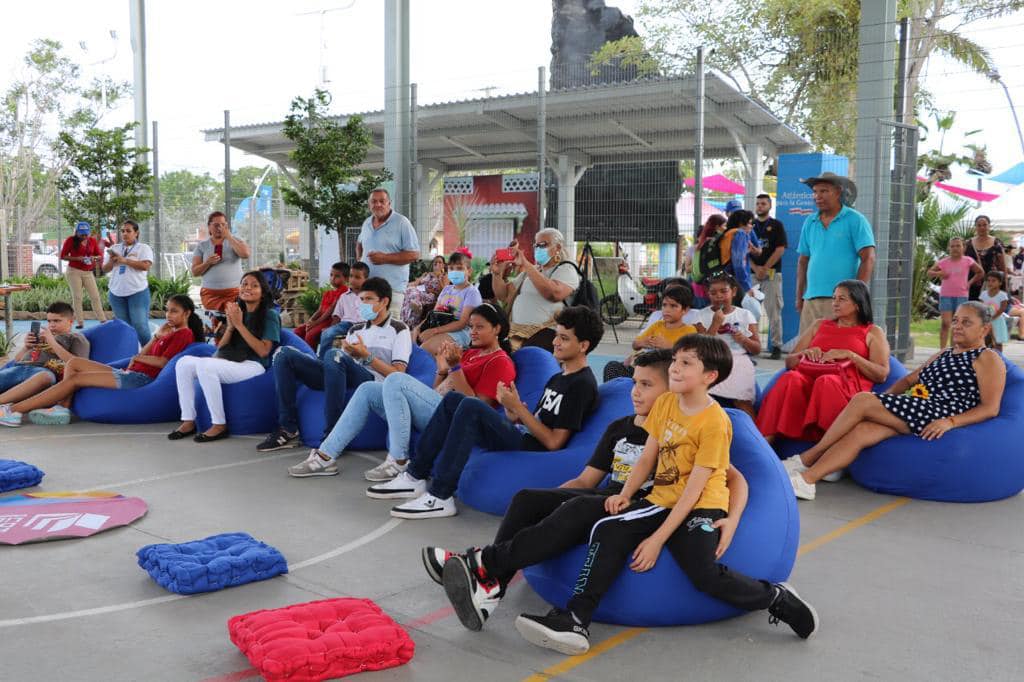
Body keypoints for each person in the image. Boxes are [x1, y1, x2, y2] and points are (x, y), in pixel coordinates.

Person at [510, 335, 818, 655]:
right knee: (610, 528)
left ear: (709, 376)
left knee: (704, 575)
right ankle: (574, 620)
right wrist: (627, 494)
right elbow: (646, 458)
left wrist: (659, 538)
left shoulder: (715, 422)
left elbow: (696, 489)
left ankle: (775, 599)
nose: (676, 368)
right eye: (675, 361)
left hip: (702, 506)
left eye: (686, 363)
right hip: (663, 499)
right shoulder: (669, 403)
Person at [420, 350, 753, 633]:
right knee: (528, 498)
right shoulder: (619, 428)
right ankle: (492, 585)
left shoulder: (685, 428)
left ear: (673, 390)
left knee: (577, 510)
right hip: (609, 496)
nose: (635, 393)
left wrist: (733, 519)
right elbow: (585, 482)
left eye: (647, 385)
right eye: (635, 383)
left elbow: (731, 478)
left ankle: (484, 569)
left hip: (642, 509)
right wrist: (551, 500)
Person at [368, 305, 603, 519]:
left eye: (564, 339)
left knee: (469, 405)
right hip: (518, 430)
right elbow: (536, 418)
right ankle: (414, 476)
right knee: (453, 400)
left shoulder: (581, 384)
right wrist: (513, 408)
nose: (555, 343)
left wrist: (519, 408)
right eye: (556, 336)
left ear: (583, 345)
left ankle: (440, 495)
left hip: (528, 445)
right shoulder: (558, 377)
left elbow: (553, 442)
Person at [787, 301, 1006, 501]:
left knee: (863, 400)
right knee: (863, 430)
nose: (957, 326)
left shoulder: (987, 357)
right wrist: (885, 401)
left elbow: (990, 408)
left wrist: (950, 421)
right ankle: (807, 480)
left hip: (940, 412)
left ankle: (809, 456)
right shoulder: (945, 353)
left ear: (985, 329)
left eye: (966, 322)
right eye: (956, 320)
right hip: (918, 407)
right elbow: (910, 379)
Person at [287, 303, 516, 481]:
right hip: (437, 411)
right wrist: (442, 370)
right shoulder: (470, 354)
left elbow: (477, 409)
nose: (473, 332)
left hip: (455, 421)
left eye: (480, 327)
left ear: (497, 329)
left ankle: (398, 459)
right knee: (368, 389)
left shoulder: (500, 362)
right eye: (471, 327)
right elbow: (437, 391)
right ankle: (326, 456)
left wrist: (455, 368)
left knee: (396, 378)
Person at [257, 277, 411, 452]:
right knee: (284, 354)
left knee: (334, 354)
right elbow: (339, 365)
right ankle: (288, 428)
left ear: (384, 301)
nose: (363, 304)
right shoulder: (355, 329)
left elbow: (398, 374)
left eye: (368, 299)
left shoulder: (399, 329)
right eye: (361, 300)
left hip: (371, 380)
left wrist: (366, 356)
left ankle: (332, 436)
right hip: (341, 375)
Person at [0, 295, 204, 426]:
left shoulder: (184, 334)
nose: (168, 314)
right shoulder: (169, 332)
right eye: (167, 309)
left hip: (139, 379)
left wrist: (137, 357)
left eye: (174, 311)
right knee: (74, 364)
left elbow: (162, 363)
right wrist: (156, 337)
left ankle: (13, 410)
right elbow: (150, 353)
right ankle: (63, 407)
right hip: (130, 372)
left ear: (187, 313)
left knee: (74, 380)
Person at [756, 280, 891, 445]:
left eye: (841, 299)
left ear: (857, 304)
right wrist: (804, 354)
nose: (835, 303)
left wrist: (850, 356)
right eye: (834, 298)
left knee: (826, 382)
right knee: (790, 378)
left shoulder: (872, 331)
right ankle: (764, 443)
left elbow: (881, 374)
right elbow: (789, 362)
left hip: (844, 385)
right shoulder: (819, 325)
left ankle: (829, 447)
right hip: (809, 380)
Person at [170, 271, 280, 443]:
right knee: (183, 363)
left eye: (254, 285)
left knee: (206, 366)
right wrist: (230, 327)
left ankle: (219, 424)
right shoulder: (238, 311)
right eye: (244, 284)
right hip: (232, 361)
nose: (247, 288)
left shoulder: (269, 315)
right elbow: (220, 350)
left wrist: (239, 324)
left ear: (263, 292)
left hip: (253, 365)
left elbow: (264, 351)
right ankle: (188, 420)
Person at [795, 173, 876, 335]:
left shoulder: (855, 219)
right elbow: (803, 261)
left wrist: (855, 297)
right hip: (811, 299)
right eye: (815, 192)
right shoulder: (810, 221)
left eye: (824, 191)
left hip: (842, 301)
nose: (818, 196)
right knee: (808, 351)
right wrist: (799, 297)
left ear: (838, 192)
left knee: (837, 350)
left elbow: (868, 258)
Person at [490, 228, 579, 351]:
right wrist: (497, 274)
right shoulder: (531, 272)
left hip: (545, 336)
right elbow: (504, 295)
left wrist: (526, 264)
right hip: (517, 334)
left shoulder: (566, 269)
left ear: (557, 248)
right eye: (536, 245)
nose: (538, 249)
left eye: (543, 245)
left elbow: (554, 293)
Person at [0, 302, 90, 421]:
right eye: (49, 321)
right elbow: (17, 360)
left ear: (70, 321)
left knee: (46, 377)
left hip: (42, 371)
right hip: (19, 368)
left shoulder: (76, 338)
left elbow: (77, 364)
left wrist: (52, 341)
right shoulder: (43, 337)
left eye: (57, 321)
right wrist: (26, 347)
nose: (52, 325)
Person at [695, 274, 760, 417]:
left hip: (738, 360)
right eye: (713, 293)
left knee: (742, 402)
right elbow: (702, 347)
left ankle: (753, 433)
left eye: (723, 291)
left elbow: (756, 349)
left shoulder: (745, 315)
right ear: (708, 294)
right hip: (712, 360)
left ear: (734, 291)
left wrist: (743, 339)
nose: (718, 296)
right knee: (703, 399)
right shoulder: (701, 315)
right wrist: (715, 323)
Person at [603, 285, 697, 381]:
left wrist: (670, 346)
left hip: (666, 374)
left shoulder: (689, 330)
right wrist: (642, 342)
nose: (667, 310)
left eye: (673, 306)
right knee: (612, 367)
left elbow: (690, 356)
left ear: (685, 310)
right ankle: (620, 393)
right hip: (644, 367)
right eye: (664, 305)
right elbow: (635, 345)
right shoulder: (657, 325)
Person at [357, 188, 421, 315]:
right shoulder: (367, 223)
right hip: (368, 289)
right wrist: (360, 261)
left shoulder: (402, 222)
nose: (378, 204)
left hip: (392, 290)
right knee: (367, 325)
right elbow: (359, 243)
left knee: (390, 328)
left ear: (389, 203)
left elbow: (414, 254)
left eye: (382, 201)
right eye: (374, 201)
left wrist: (384, 258)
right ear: (369, 204)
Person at [415, 251, 482, 354]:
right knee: (410, 341)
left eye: (459, 268)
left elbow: (462, 323)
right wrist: (418, 328)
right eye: (451, 268)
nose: (454, 272)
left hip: (461, 332)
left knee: (425, 349)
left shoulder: (471, 292)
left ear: (469, 271)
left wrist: (433, 331)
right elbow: (434, 314)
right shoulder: (446, 289)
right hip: (440, 327)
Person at [103, 219, 154, 346]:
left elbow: (145, 266)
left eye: (128, 231)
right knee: (125, 327)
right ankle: (131, 354)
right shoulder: (115, 248)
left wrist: (125, 260)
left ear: (136, 233)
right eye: (122, 231)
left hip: (137, 292)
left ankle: (150, 353)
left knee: (140, 325)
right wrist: (112, 261)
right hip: (116, 293)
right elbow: (104, 269)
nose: (125, 233)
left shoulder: (143, 248)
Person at [750, 194, 788, 359]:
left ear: (769, 206)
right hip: (752, 275)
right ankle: (753, 344)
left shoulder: (776, 225)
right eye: (758, 204)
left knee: (774, 312)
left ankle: (776, 346)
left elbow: (780, 249)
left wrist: (765, 268)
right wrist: (755, 267)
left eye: (763, 203)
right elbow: (743, 250)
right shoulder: (749, 227)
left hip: (771, 274)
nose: (760, 206)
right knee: (751, 311)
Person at [192, 211, 251, 315]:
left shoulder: (236, 241)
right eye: (216, 225)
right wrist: (207, 263)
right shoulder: (202, 246)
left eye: (223, 225)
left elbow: (245, 254)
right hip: (210, 294)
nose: (219, 228)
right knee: (217, 321)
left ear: (227, 226)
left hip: (234, 293)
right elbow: (195, 272)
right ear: (209, 227)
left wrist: (228, 236)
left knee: (234, 319)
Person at [928, 237, 983, 348]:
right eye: (952, 246)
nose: (955, 248)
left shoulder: (968, 260)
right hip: (946, 295)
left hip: (961, 296)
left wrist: (969, 283)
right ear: (949, 248)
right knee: (946, 323)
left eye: (958, 246)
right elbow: (929, 272)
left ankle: (954, 349)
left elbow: (980, 272)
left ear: (963, 247)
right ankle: (942, 351)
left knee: (957, 324)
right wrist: (940, 274)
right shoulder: (943, 262)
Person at [60, 221, 107, 329]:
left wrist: (93, 258)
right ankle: (80, 322)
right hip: (74, 271)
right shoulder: (70, 240)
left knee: (95, 296)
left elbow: (99, 255)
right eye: (82, 234)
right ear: (76, 232)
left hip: (88, 272)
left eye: (86, 234)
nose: (84, 236)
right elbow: (63, 256)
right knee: (77, 297)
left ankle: (103, 320)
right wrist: (78, 258)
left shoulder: (92, 241)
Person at [318, 262, 368, 358]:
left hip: (364, 324)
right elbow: (337, 316)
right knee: (327, 334)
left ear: (366, 279)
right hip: (346, 324)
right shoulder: (344, 296)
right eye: (351, 276)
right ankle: (322, 360)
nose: (353, 280)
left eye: (357, 277)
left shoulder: (369, 296)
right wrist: (331, 328)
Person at [293, 262, 349, 349]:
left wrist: (315, 323)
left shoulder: (344, 291)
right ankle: (300, 353)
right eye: (331, 275)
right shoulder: (328, 293)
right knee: (298, 331)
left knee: (310, 334)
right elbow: (320, 310)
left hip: (330, 321)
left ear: (346, 278)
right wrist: (310, 321)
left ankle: (311, 357)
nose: (332, 278)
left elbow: (330, 310)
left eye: (337, 276)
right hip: (321, 320)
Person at [690, 214, 727, 308]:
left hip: (698, 284)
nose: (726, 228)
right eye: (724, 225)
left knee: (702, 315)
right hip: (707, 286)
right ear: (717, 227)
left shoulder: (702, 242)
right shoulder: (713, 242)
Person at [964, 215, 1004, 301]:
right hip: (972, 282)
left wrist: (1005, 287)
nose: (982, 227)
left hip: (992, 283)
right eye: (979, 225)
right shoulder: (968, 243)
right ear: (975, 227)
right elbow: (963, 264)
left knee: (990, 310)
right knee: (972, 309)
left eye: (985, 225)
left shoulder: (996, 243)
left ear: (989, 226)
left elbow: (1002, 266)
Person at [401, 255, 448, 329]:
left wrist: (438, 277)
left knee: (412, 293)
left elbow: (445, 291)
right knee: (408, 291)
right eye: (435, 262)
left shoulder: (444, 276)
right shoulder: (427, 274)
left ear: (443, 265)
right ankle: (408, 320)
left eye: (440, 262)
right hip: (419, 292)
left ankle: (411, 316)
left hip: (431, 295)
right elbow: (416, 283)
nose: (437, 264)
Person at [724, 209, 760, 300]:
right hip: (737, 283)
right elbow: (739, 263)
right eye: (749, 223)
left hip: (727, 280)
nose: (751, 227)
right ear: (741, 223)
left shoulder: (728, 233)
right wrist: (747, 287)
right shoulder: (741, 234)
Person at [978, 271, 1009, 351]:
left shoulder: (1002, 295)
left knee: (998, 341)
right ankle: (986, 356)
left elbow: (1003, 308)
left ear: (1000, 283)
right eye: (988, 280)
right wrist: (985, 318)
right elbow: (981, 307)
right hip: (986, 320)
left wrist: (993, 317)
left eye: (993, 281)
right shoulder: (983, 294)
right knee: (986, 339)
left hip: (997, 320)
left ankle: (999, 357)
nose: (990, 283)